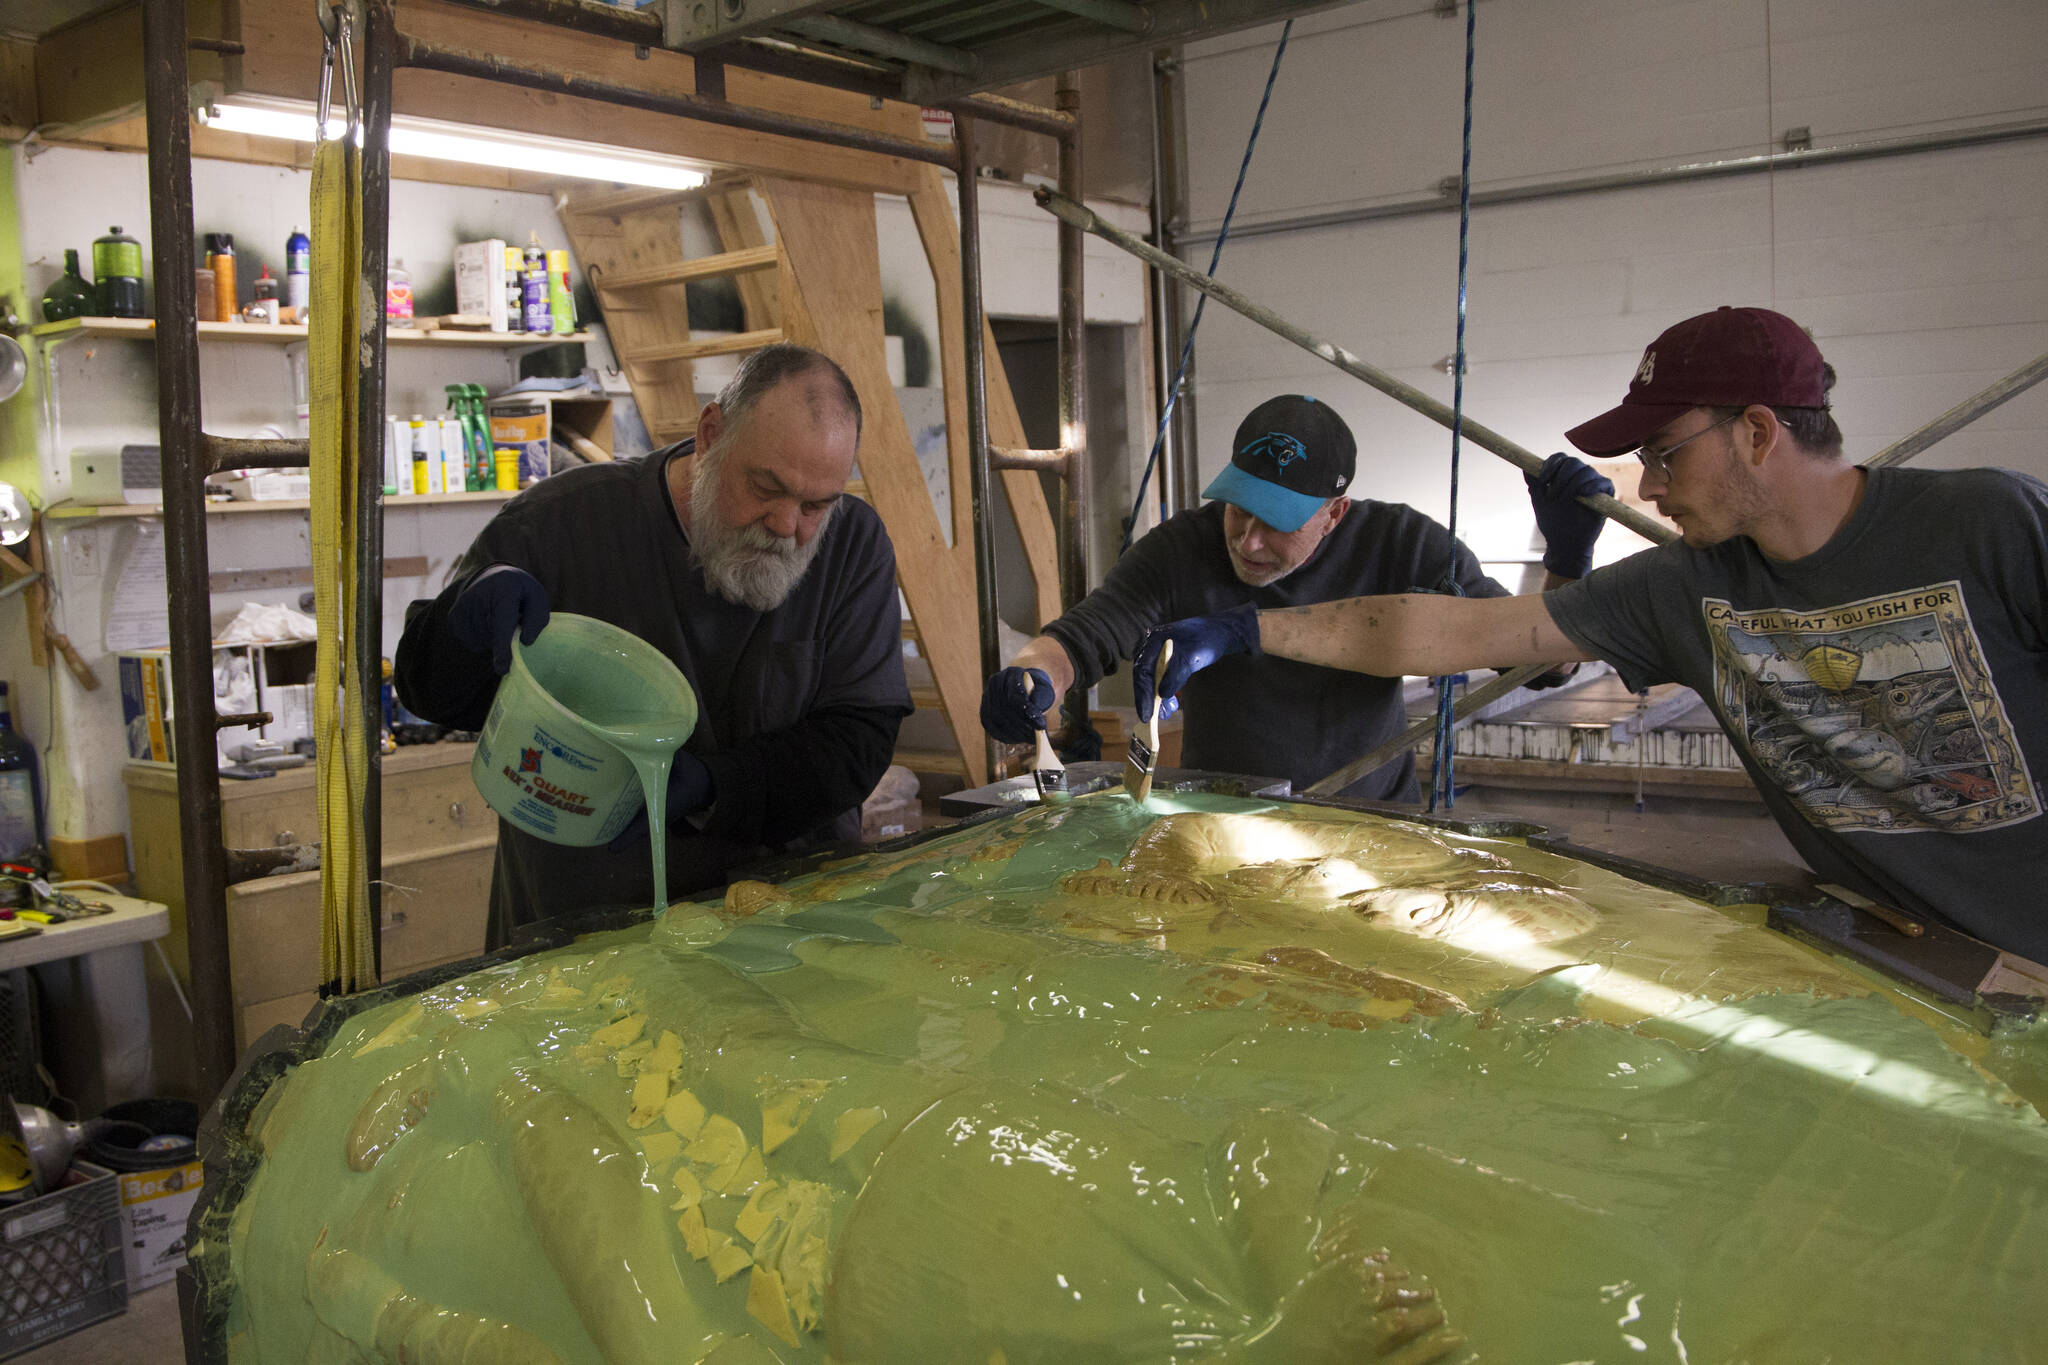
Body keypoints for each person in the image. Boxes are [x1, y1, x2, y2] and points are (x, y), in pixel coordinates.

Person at [1135, 307, 2048, 961]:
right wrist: (1249, 631)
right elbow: (1449, 632)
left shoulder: (1986, 522)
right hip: (1904, 956)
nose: (1647, 487)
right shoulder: (1683, 586)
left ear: (1759, 432)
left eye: (1663, 453)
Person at [396, 344, 912, 944]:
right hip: (585, 941)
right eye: (766, 487)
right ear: (711, 434)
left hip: (790, 930)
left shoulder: (853, 547)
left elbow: (858, 739)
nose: (786, 525)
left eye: (814, 505)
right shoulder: (560, 527)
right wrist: (461, 621)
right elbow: (429, 693)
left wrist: (714, 786)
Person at [979, 393, 1613, 800]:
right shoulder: (1182, 548)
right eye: (1237, 512)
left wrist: (1567, 561)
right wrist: (1034, 674)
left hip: (1372, 827)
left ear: (1334, 514)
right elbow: (1090, 632)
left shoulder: (1405, 546)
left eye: (1277, 522)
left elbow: (1540, 664)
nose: (1249, 543)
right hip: (1225, 820)